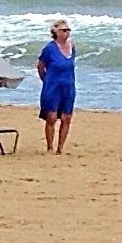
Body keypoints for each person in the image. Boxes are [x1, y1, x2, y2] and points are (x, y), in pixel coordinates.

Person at [36, 18, 77, 154]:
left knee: (67, 117)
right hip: (52, 86)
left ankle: (60, 148)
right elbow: (41, 66)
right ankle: (49, 147)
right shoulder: (49, 48)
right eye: (64, 30)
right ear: (56, 32)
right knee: (51, 117)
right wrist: (46, 80)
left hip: (68, 86)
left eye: (68, 30)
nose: (67, 33)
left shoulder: (72, 47)